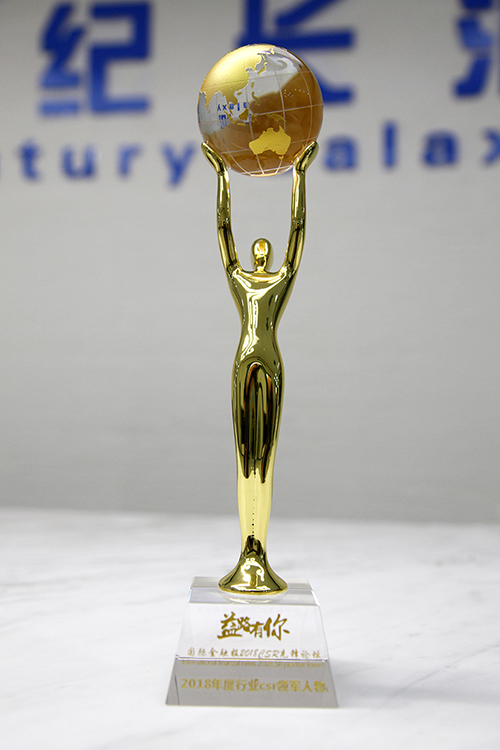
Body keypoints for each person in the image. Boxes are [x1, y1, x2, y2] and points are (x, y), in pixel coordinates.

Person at [202, 140, 318, 594]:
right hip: (244, 361)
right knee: (243, 455)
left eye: (266, 250)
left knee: (264, 457)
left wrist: (300, 177)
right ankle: (246, 554)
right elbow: (223, 230)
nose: (261, 254)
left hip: (268, 363)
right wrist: (221, 177)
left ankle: (259, 554)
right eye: (258, 249)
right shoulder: (240, 280)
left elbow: (298, 231)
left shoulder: (280, 281)